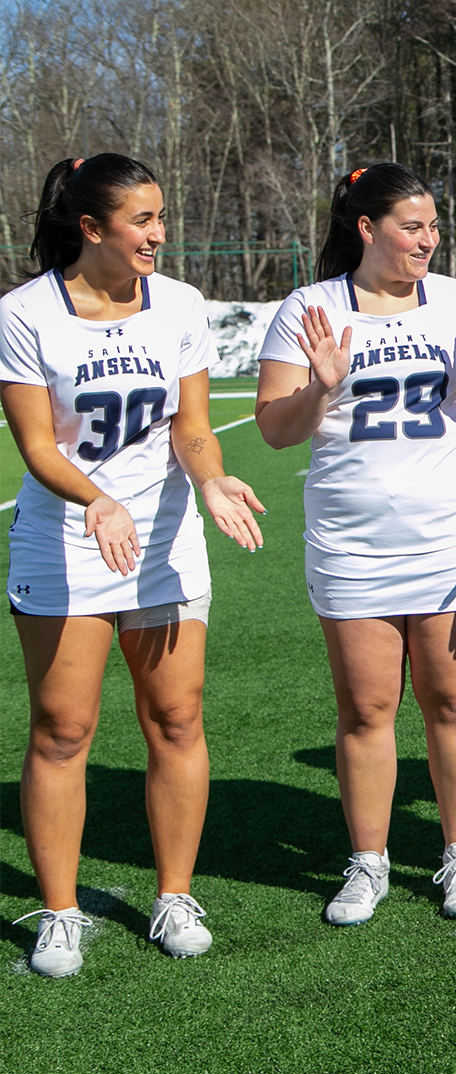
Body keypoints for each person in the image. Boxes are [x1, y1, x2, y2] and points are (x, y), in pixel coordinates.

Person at [2, 154, 264, 976]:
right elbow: (37, 445)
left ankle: (174, 895)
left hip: (163, 544)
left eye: (161, 216)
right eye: (143, 220)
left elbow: (191, 426)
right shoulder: (25, 313)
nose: (160, 233)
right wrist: (96, 501)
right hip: (68, 541)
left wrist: (212, 476)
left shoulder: (180, 304)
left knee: (177, 720)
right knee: (63, 729)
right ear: (91, 228)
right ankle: (59, 910)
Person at [254, 163, 456, 924]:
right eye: (411, 227)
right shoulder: (311, 307)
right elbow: (274, 429)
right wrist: (321, 387)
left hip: (450, 537)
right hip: (351, 541)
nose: (427, 241)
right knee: (368, 710)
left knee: (453, 701)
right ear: (366, 229)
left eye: (434, 227)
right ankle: (368, 862)